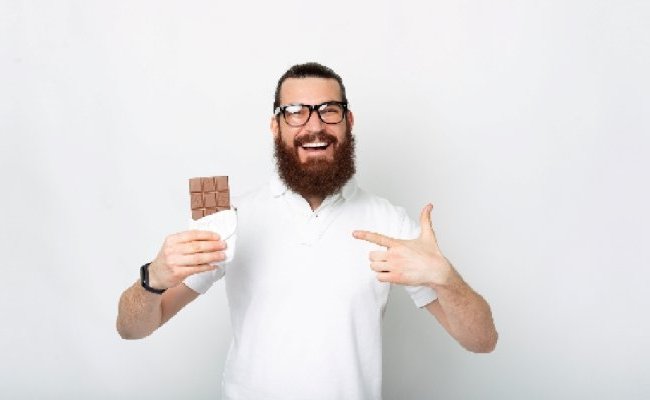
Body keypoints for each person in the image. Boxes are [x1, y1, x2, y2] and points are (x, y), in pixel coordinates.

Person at [116, 62, 498, 400]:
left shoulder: (390, 224)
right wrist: (153, 279)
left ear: (349, 122)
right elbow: (132, 329)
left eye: (329, 111)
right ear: (275, 125)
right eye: (295, 112)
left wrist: (447, 280)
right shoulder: (232, 219)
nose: (314, 125)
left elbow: (482, 341)